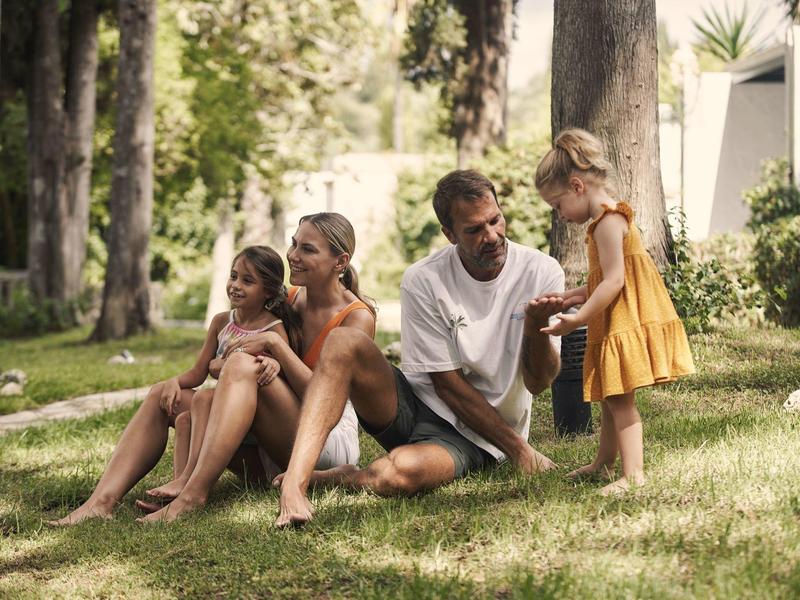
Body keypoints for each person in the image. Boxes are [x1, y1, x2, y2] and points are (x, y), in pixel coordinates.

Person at [275, 169, 572, 527]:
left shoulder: (541, 272)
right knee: (344, 339)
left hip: (478, 437)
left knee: (391, 476)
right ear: (449, 234)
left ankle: (343, 476)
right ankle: (295, 483)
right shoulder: (424, 279)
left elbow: (539, 383)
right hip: (413, 407)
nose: (491, 236)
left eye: (495, 220)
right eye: (474, 230)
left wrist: (534, 330)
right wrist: (522, 452)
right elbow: (446, 384)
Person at [138, 212, 374, 523]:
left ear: (340, 262)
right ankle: (101, 501)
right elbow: (233, 335)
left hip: (325, 436)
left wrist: (275, 348)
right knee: (171, 399)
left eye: (308, 249)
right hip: (279, 428)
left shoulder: (357, 317)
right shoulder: (285, 300)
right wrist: (190, 374)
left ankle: (191, 495)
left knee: (241, 367)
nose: (293, 255)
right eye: (294, 244)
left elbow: (324, 400)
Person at [49, 245, 296, 525]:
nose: (235, 286)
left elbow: (276, 384)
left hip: (261, 447)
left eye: (247, 281)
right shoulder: (221, 322)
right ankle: (101, 502)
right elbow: (198, 373)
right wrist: (172, 382)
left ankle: (188, 489)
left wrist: (273, 364)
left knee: (203, 401)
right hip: (228, 426)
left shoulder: (273, 329)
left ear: (268, 291)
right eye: (233, 276)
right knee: (160, 395)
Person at [534, 128, 695, 495]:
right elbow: (603, 279)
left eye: (557, 205)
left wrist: (579, 318)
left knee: (621, 401)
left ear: (576, 186)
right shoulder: (605, 219)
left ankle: (633, 475)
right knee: (610, 394)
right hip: (615, 317)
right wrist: (573, 296)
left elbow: (614, 282)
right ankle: (603, 462)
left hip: (625, 318)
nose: (559, 215)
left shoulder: (608, 221)